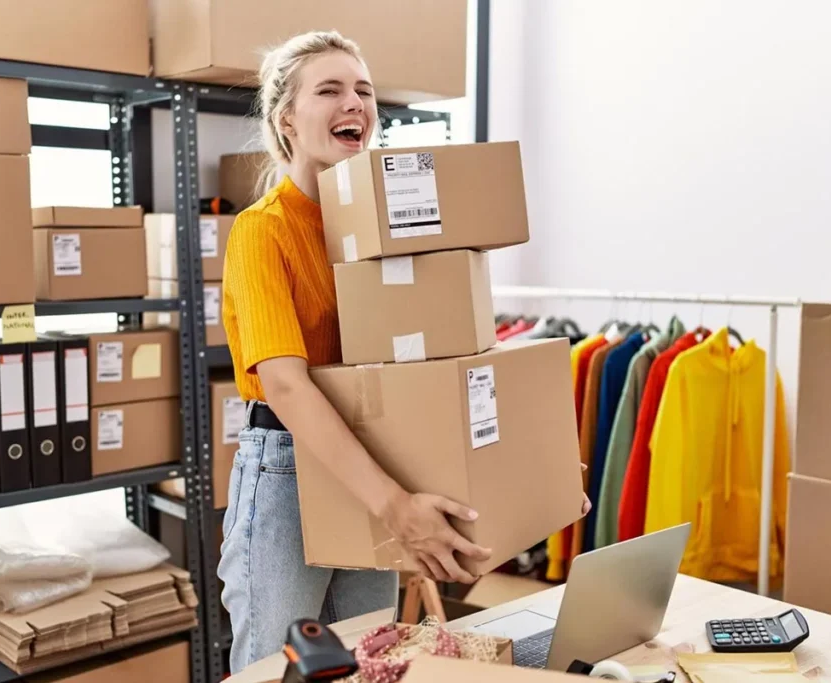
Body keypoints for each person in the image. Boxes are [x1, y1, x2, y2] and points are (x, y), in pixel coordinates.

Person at [218, 30, 591, 673]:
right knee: (279, 669)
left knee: (366, 659)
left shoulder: (383, 230)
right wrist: (394, 505)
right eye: (329, 90)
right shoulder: (263, 230)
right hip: (288, 469)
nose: (355, 103)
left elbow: (446, 368)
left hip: (378, 459)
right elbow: (285, 384)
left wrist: (535, 472)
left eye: (364, 90)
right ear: (286, 118)